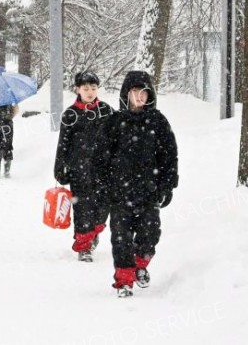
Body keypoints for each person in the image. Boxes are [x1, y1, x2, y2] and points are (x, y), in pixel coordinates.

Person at [93, 71, 178, 297]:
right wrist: (102, 187)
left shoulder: (158, 122)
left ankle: (140, 265)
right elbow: (100, 158)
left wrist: (167, 185)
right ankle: (124, 281)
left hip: (149, 192)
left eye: (144, 92)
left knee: (150, 234)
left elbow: (169, 156)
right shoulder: (114, 122)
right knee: (120, 239)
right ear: (127, 94)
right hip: (119, 193)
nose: (140, 97)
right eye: (135, 92)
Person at [54, 71, 114, 262]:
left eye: (93, 88)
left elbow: (117, 139)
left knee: (103, 208)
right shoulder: (71, 114)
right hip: (79, 171)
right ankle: (84, 246)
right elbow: (62, 143)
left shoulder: (107, 111)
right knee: (83, 209)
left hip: (104, 170)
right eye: (86, 88)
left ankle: (93, 232)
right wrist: (60, 167)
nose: (90, 92)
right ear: (77, 89)